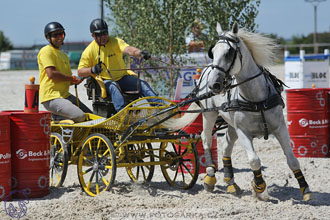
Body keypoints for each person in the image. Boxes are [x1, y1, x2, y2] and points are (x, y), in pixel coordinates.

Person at [78, 18, 161, 112]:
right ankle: (122, 114)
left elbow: (128, 49)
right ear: (93, 35)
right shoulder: (88, 51)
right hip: (105, 82)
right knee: (113, 87)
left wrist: (139, 52)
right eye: (100, 34)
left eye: (105, 33)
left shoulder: (115, 42)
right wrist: (92, 69)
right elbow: (80, 72)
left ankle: (160, 108)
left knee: (141, 84)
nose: (104, 36)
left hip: (123, 78)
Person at [38, 21, 92, 122]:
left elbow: (67, 80)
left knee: (90, 116)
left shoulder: (64, 56)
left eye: (61, 34)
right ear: (48, 37)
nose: (59, 37)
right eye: (55, 35)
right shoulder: (46, 51)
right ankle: (54, 117)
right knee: (79, 116)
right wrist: (71, 78)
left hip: (65, 96)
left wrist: (77, 79)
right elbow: (51, 74)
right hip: (51, 98)